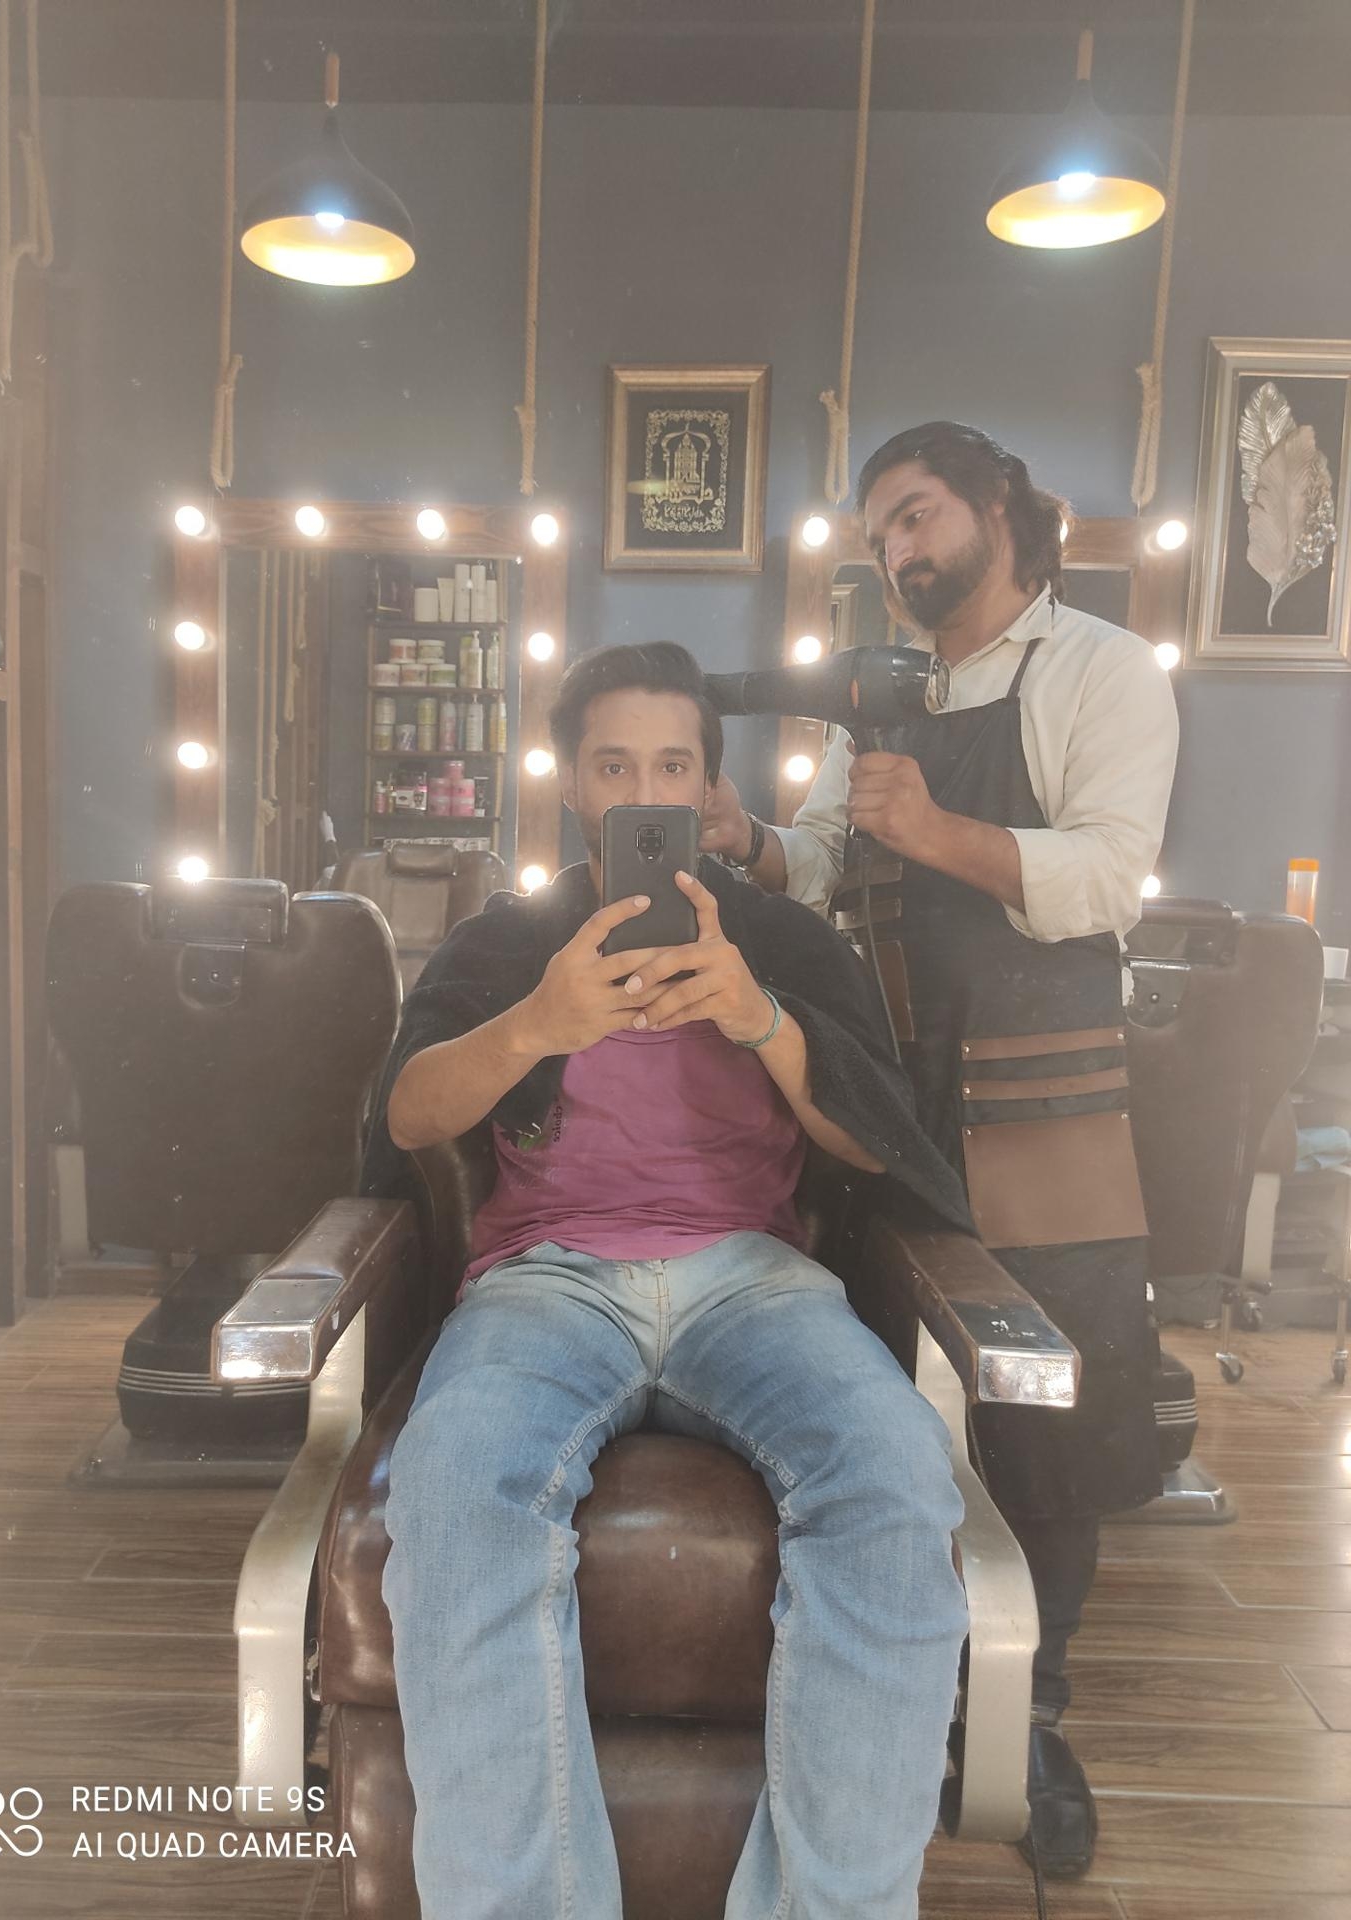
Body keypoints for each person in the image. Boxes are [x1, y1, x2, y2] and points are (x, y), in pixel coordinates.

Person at [371, 640, 979, 1920]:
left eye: (670, 766)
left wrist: (760, 1018)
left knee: (896, 1478)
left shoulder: (785, 942)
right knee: (453, 1485)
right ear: (571, 783)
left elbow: (877, 1142)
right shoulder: (507, 941)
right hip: (547, 1284)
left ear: (709, 788)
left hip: (754, 1282)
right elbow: (410, 1113)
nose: (643, 791)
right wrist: (537, 1024)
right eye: (613, 766)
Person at [702, 421, 1180, 1879]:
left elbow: (1111, 875)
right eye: (879, 536)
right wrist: (749, 839)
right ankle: (896, 1676)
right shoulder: (878, 699)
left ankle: (1031, 1718)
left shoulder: (1105, 671)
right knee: (890, 1397)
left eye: (914, 516)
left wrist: (942, 828)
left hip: (1047, 1100)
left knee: (1049, 1420)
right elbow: (823, 862)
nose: (897, 552)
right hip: (890, 1096)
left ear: (996, 508)